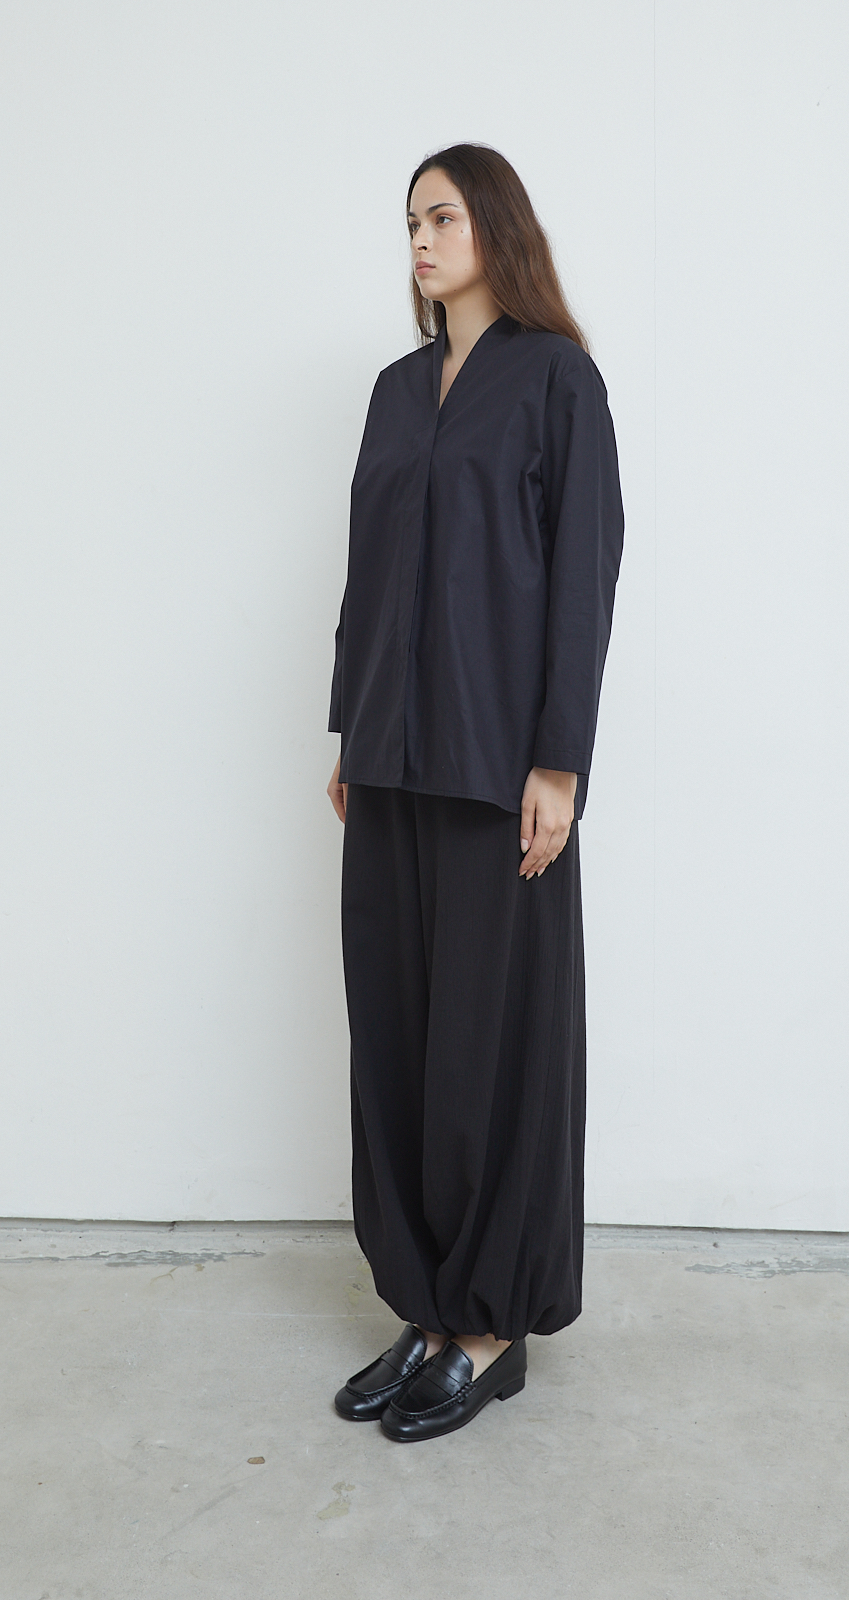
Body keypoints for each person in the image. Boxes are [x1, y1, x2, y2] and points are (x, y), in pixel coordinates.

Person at [326, 143, 624, 1442]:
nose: (421, 240)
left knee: (491, 1050)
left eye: (442, 216)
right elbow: (367, 567)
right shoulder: (396, 391)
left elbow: (584, 571)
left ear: (496, 227)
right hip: (391, 762)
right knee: (397, 1034)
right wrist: (350, 729)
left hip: (501, 769)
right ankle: (426, 1302)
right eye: (410, 221)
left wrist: (559, 760)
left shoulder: (557, 380)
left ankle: (490, 1325)